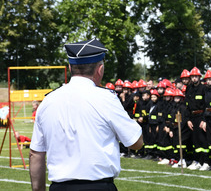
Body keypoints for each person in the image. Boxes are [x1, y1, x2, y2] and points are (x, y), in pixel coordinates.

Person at [29, 38, 143, 191]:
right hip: (99, 186)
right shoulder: (106, 98)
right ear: (100, 69)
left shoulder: (48, 101)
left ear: (70, 68)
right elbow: (136, 142)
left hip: (59, 187)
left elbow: (36, 154)